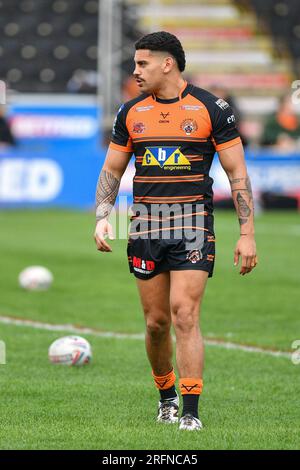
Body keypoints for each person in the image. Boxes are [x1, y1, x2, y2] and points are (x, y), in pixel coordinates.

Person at [94, 31, 257, 431]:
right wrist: (102, 214)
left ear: (167, 63)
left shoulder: (211, 108)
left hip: (193, 224)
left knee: (185, 314)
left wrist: (247, 232)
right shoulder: (130, 112)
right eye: (135, 64)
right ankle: (166, 396)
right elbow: (113, 169)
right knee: (156, 323)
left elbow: (237, 173)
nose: (136, 71)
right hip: (146, 224)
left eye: (142, 64)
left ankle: (190, 411)